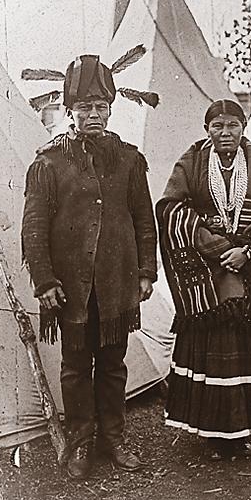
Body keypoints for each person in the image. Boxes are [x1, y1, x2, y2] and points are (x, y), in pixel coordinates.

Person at [21, 49, 159, 478]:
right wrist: (44, 282)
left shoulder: (131, 159)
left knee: (114, 364)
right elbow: (34, 229)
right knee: (76, 366)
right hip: (71, 288)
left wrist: (145, 272)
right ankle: (80, 443)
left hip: (116, 283)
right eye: (84, 108)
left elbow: (143, 218)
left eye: (101, 107)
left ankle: (113, 439)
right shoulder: (48, 163)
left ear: (111, 109)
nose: (93, 114)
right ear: (69, 111)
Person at [157, 99, 251, 461]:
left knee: (245, 344)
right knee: (213, 344)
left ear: (243, 128)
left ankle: (245, 429)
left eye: (232, 125)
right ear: (207, 131)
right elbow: (170, 207)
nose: (225, 133)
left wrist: (247, 249)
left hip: (249, 264)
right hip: (207, 267)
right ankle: (213, 431)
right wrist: (215, 245)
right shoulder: (192, 160)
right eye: (217, 126)